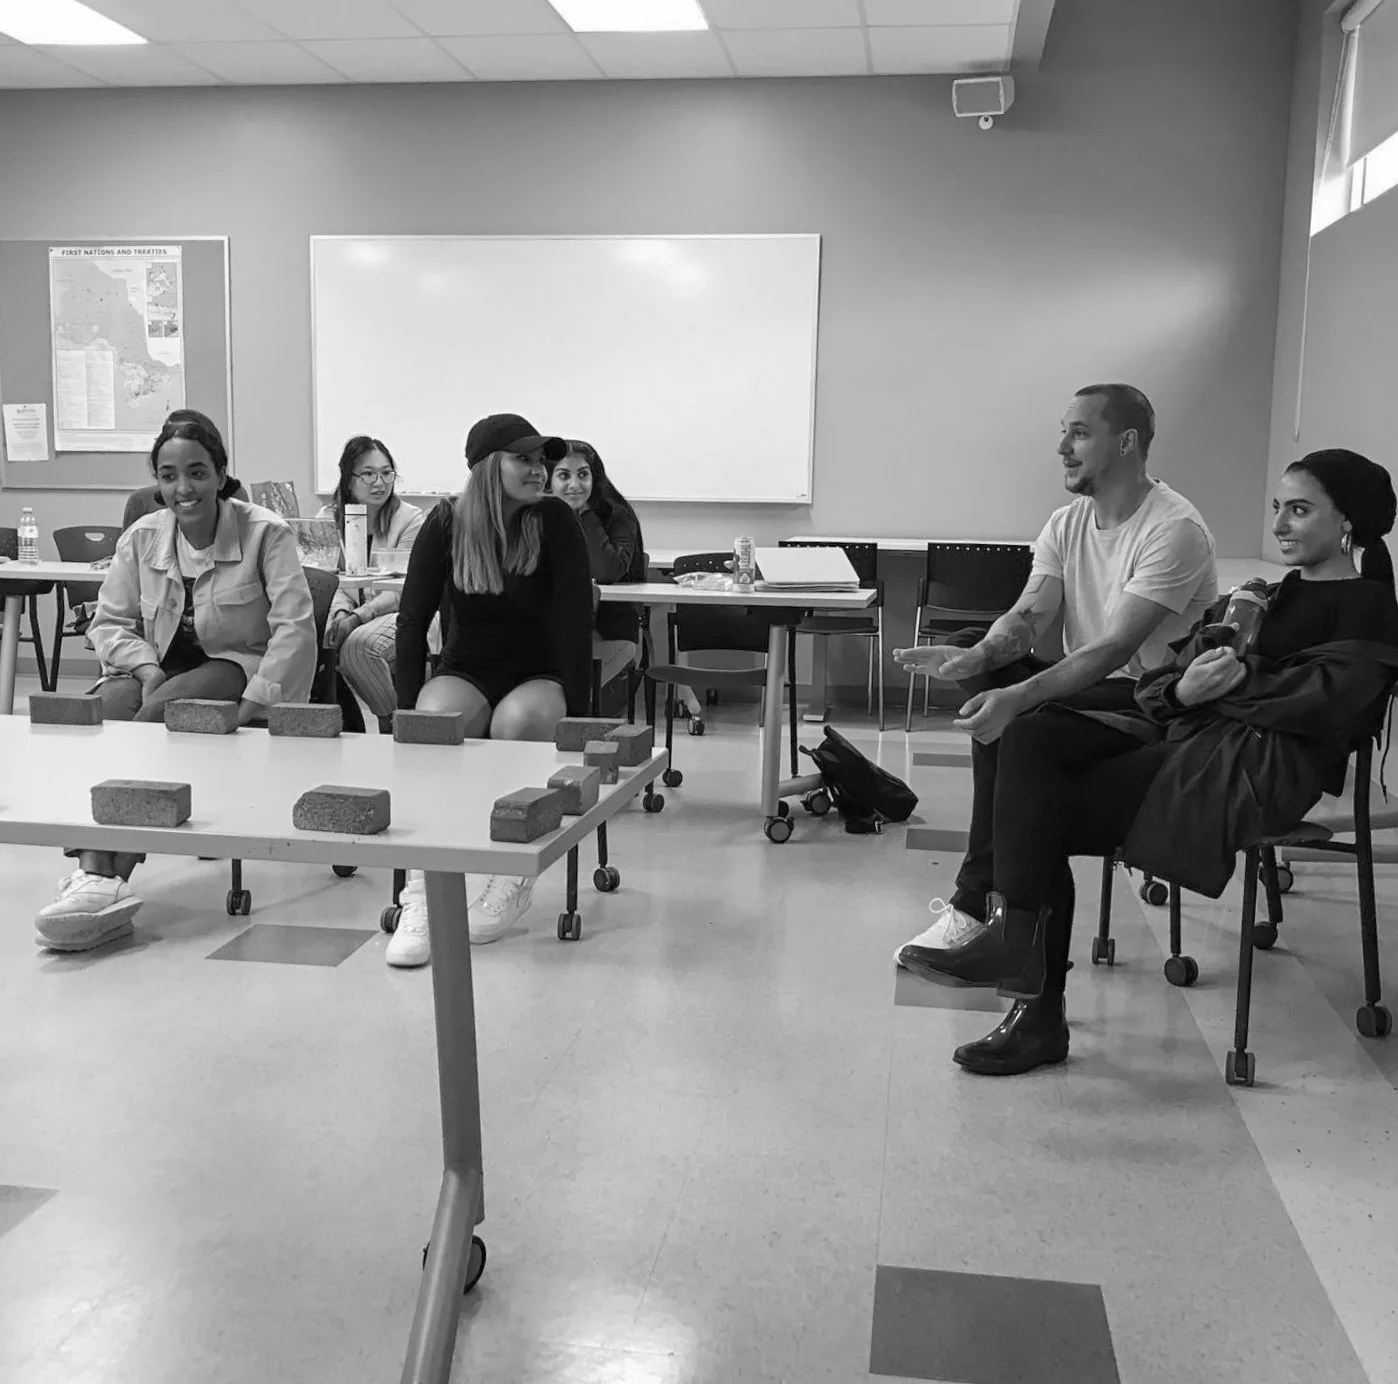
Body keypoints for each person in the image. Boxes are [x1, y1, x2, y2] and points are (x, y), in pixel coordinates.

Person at [900, 449, 1398, 1075]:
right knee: (1028, 741)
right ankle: (1016, 956)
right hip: (1192, 741)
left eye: (1299, 510)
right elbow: (1160, 683)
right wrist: (1188, 690)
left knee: (1037, 810)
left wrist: (1229, 682)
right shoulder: (1259, 597)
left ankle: (1028, 989)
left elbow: (1329, 704)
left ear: (1347, 521)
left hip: (1252, 769)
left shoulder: (1371, 606)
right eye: (1278, 508)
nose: (1280, 525)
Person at [893, 384, 1217, 964]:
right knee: (979, 647)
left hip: (1148, 699)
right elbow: (1027, 616)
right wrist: (978, 659)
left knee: (1017, 725)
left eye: (1080, 433)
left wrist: (1018, 695)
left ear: (1126, 443)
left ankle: (981, 909)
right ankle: (983, 909)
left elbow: (1116, 648)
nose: (1063, 448)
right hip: (1092, 684)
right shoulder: (1069, 521)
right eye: (1063, 432)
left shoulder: (1174, 528)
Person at [35, 414, 317, 954]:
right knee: (100, 716)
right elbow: (108, 625)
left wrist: (252, 706)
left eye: (196, 473)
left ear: (220, 475)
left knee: (154, 717)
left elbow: (295, 632)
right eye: (168, 476)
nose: (182, 489)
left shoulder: (265, 533)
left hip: (239, 669)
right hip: (157, 669)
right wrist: (142, 667)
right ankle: (99, 874)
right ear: (156, 481)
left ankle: (104, 877)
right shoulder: (142, 537)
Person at [385, 413, 593, 967]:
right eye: (523, 459)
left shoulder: (553, 521)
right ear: (486, 468)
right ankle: (424, 892)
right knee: (434, 724)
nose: (538, 470)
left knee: (518, 725)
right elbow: (412, 620)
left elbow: (576, 622)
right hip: (466, 668)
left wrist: (583, 719)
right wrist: (407, 714)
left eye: (539, 460)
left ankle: (508, 876)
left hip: (537, 673)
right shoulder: (446, 522)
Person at [316, 436, 425, 731]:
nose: (380, 482)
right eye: (369, 474)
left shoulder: (410, 519)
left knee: (359, 647)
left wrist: (359, 616)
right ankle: (340, 724)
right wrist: (341, 613)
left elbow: (408, 589)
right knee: (315, 638)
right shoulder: (328, 519)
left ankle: (393, 721)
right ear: (348, 478)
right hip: (350, 611)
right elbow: (330, 581)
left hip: (397, 609)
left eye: (387, 473)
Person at [547, 438, 647, 695]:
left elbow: (606, 571)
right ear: (549, 480)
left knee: (564, 687)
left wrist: (584, 513)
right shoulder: (539, 515)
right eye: (563, 475)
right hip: (553, 627)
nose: (574, 484)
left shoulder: (616, 515)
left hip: (608, 626)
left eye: (583, 475)